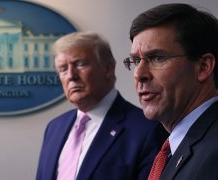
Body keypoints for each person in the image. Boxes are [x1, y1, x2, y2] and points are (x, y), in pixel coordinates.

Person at [36, 31, 168, 180]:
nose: (71, 75)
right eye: (63, 69)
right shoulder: (54, 128)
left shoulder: (147, 129)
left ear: (108, 69)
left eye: (80, 64)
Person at [123, 3, 218, 180]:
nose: (139, 74)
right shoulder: (173, 149)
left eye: (157, 58)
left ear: (203, 67)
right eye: (136, 61)